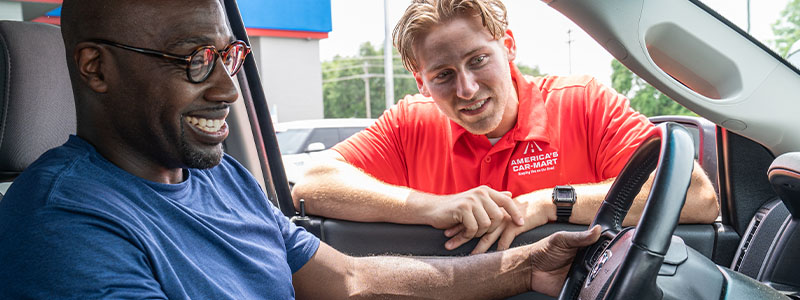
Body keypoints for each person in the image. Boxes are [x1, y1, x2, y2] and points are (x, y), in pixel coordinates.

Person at [0, 0, 602, 298]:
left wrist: (529, 263)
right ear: (95, 69)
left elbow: (350, 280)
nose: (226, 88)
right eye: (194, 60)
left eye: (229, 57)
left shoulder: (220, 180)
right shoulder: (60, 223)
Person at [292, 0, 719, 254]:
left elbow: (698, 198)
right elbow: (312, 183)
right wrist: (431, 207)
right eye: (443, 74)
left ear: (508, 46)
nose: (467, 88)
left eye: (478, 60)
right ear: (420, 80)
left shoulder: (583, 102)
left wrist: (551, 203)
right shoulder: (410, 121)